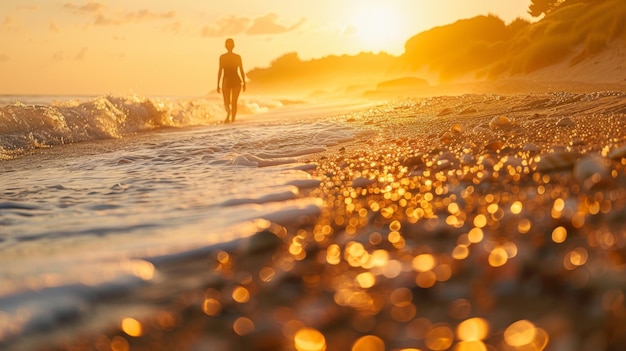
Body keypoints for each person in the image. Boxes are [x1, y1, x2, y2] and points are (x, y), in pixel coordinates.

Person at [217, 38, 246, 123]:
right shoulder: (223, 57)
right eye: (228, 44)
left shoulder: (237, 57)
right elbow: (220, 71)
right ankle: (230, 117)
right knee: (227, 102)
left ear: (233, 45)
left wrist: (244, 82)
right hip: (227, 80)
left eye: (230, 44)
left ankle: (231, 119)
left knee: (233, 102)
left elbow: (241, 70)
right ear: (226, 45)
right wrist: (218, 84)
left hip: (234, 80)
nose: (229, 45)